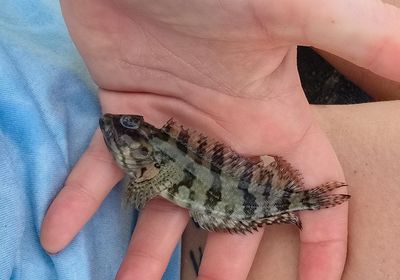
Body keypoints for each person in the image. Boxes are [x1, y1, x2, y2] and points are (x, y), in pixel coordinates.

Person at [39, 1, 400, 279]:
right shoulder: (152, 159)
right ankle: (301, 201)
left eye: (126, 131)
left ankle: (302, 200)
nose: (115, 132)